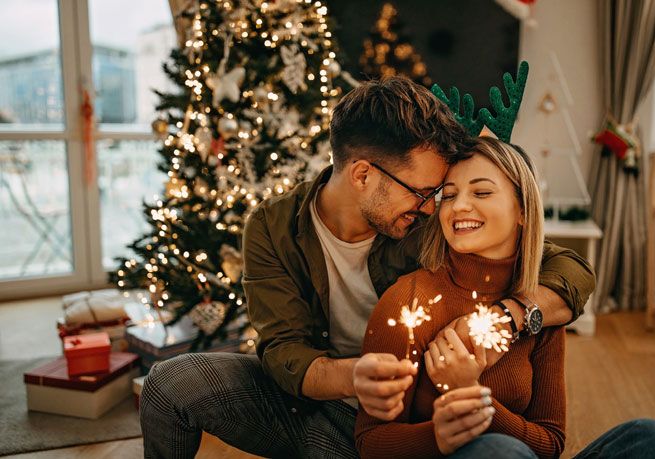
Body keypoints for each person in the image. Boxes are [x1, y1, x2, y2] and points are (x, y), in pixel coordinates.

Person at [139, 76, 596, 458]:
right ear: (362, 175)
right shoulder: (272, 226)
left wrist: (510, 316)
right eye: (423, 192)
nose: (434, 206)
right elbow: (280, 351)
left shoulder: (427, 222)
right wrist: (352, 375)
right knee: (167, 383)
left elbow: (568, 269)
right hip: (307, 401)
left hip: (394, 422)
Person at [355, 137, 655, 459]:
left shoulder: (540, 303)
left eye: (482, 192)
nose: (459, 206)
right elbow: (371, 441)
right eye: (449, 195)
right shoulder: (409, 300)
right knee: (500, 452)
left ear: (524, 212)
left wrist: (473, 396)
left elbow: (550, 444)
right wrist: (437, 438)